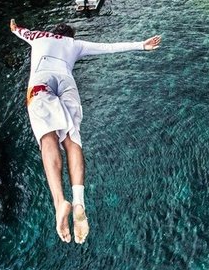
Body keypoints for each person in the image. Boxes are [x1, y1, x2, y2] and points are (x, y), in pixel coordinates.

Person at [11, 19, 161, 243]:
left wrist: (14, 28)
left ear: (53, 32)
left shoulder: (39, 36)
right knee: (72, 140)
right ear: (70, 35)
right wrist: (141, 44)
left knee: (47, 138)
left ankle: (59, 201)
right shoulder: (74, 44)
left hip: (41, 82)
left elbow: (20, 31)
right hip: (66, 82)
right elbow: (107, 47)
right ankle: (79, 200)